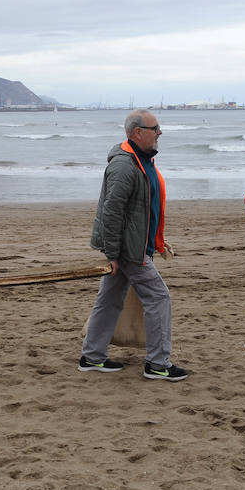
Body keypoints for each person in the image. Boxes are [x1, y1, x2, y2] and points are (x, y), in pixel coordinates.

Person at [80, 109, 188, 381]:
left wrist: (158, 242)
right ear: (137, 133)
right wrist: (114, 255)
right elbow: (112, 212)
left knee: (110, 299)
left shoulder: (142, 160)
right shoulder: (124, 165)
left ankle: (92, 357)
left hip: (135, 245)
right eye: (155, 128)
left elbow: (142, 210)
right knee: (159, 298)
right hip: (129, 250)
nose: (160, 132)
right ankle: (158, 364)